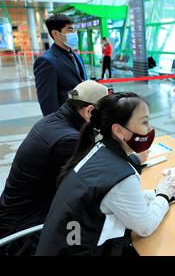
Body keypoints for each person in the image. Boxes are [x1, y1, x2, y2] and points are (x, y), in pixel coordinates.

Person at [35, 93, 175, 256]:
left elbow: (117, 199)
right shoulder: (121, 177)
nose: (150, 129)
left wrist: (154, 194)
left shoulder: (99, 150)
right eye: (144, 122)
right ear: (119, 130)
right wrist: (163, 195)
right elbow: (145, 226)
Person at [0, 80, 109, 256]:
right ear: (89, 111)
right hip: (26, 234)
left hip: (15, 215)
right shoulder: (67, 140)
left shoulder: (53, 121)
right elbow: (95, 182)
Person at [33, 14, 87, 116]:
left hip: (83, 117)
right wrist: (57, 127)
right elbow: (48, 102)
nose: (75, 33)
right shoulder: (46, 61)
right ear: (55, 33)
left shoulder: (75, 55)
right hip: (66, 119)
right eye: (70, 30)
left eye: (75, 30)